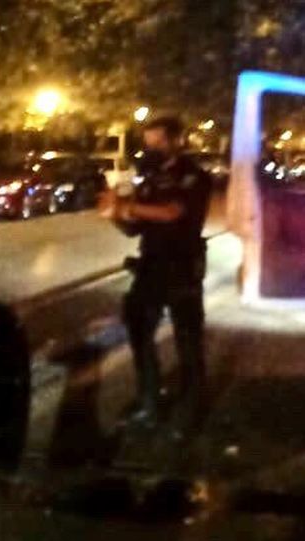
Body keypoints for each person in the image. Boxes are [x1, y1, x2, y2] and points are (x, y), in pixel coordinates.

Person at [105, 116, 213, 436]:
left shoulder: (194, 176)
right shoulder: (150, 178)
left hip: (183, 267)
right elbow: (134, 228)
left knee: (187, 342)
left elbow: (172, 212)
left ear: (177, 140)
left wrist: (127, 207)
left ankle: (190, 410)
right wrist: (113, 213)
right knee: (139, 334)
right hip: (150, 266)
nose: (151, 148)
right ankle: (148, 402)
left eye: (158, 141)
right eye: (148, 142)